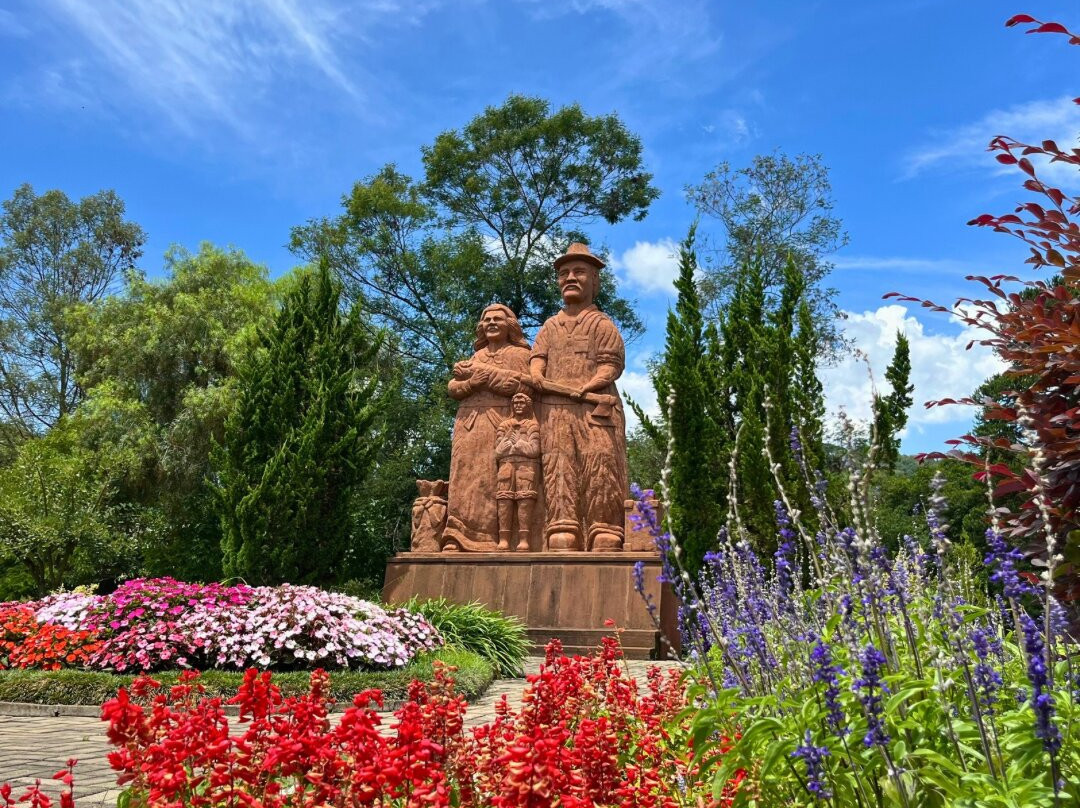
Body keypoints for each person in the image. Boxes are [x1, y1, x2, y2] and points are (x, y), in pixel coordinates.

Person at [530, 243, 628, 551]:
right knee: (558, 466)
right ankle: (562, 527)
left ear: (595, 281)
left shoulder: (602, 324)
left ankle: (604, 528)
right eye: (563, 273)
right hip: (554, 408)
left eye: (579, 272)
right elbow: (537, 359)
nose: (570, 277)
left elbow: (611, 365)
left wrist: (588, 387)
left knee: (600, 463)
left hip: (594, 407)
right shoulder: (549, 326)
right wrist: (537, 375)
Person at [443, 304, 533, 551]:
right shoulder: (476, 356)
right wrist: (473, 382)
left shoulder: (520, 355)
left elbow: (522, 386)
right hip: (468, 421)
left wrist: (484, 377)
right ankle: (456, 535)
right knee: (463, 474)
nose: (491, 323)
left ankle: (491, 538)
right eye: (487, 320)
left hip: (499, 422)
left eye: (498, 319)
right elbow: (453, 388)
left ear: (510, 325)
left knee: (492, 478)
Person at [494, 391, 541, 552]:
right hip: (506, 465)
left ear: (528, 406)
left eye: (522, 403)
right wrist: (507, 442)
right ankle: (504, 540)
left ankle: (524, 540)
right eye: (516, 403)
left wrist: (519, 443)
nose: (518, 406)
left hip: (526, 465)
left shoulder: (532, 425)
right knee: (504, 499)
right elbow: (498, 452)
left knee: (525, 499)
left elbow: (534, 450)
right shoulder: (504, 425)